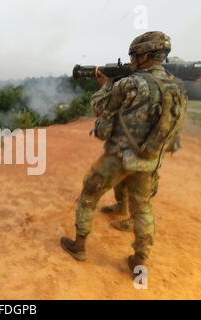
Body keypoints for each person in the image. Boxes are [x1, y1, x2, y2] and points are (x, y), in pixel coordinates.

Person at [60, 31, 187, 276]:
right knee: (143, 208)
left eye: (133, 55)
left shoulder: (130, 83)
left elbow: (99, 107)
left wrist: (106, 86)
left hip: (120, 155)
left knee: (88, 194)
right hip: (151, 157)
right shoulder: (177, 85)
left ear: (145, 55)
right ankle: (139, 261)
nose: (130, 60)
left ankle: (79, 247)